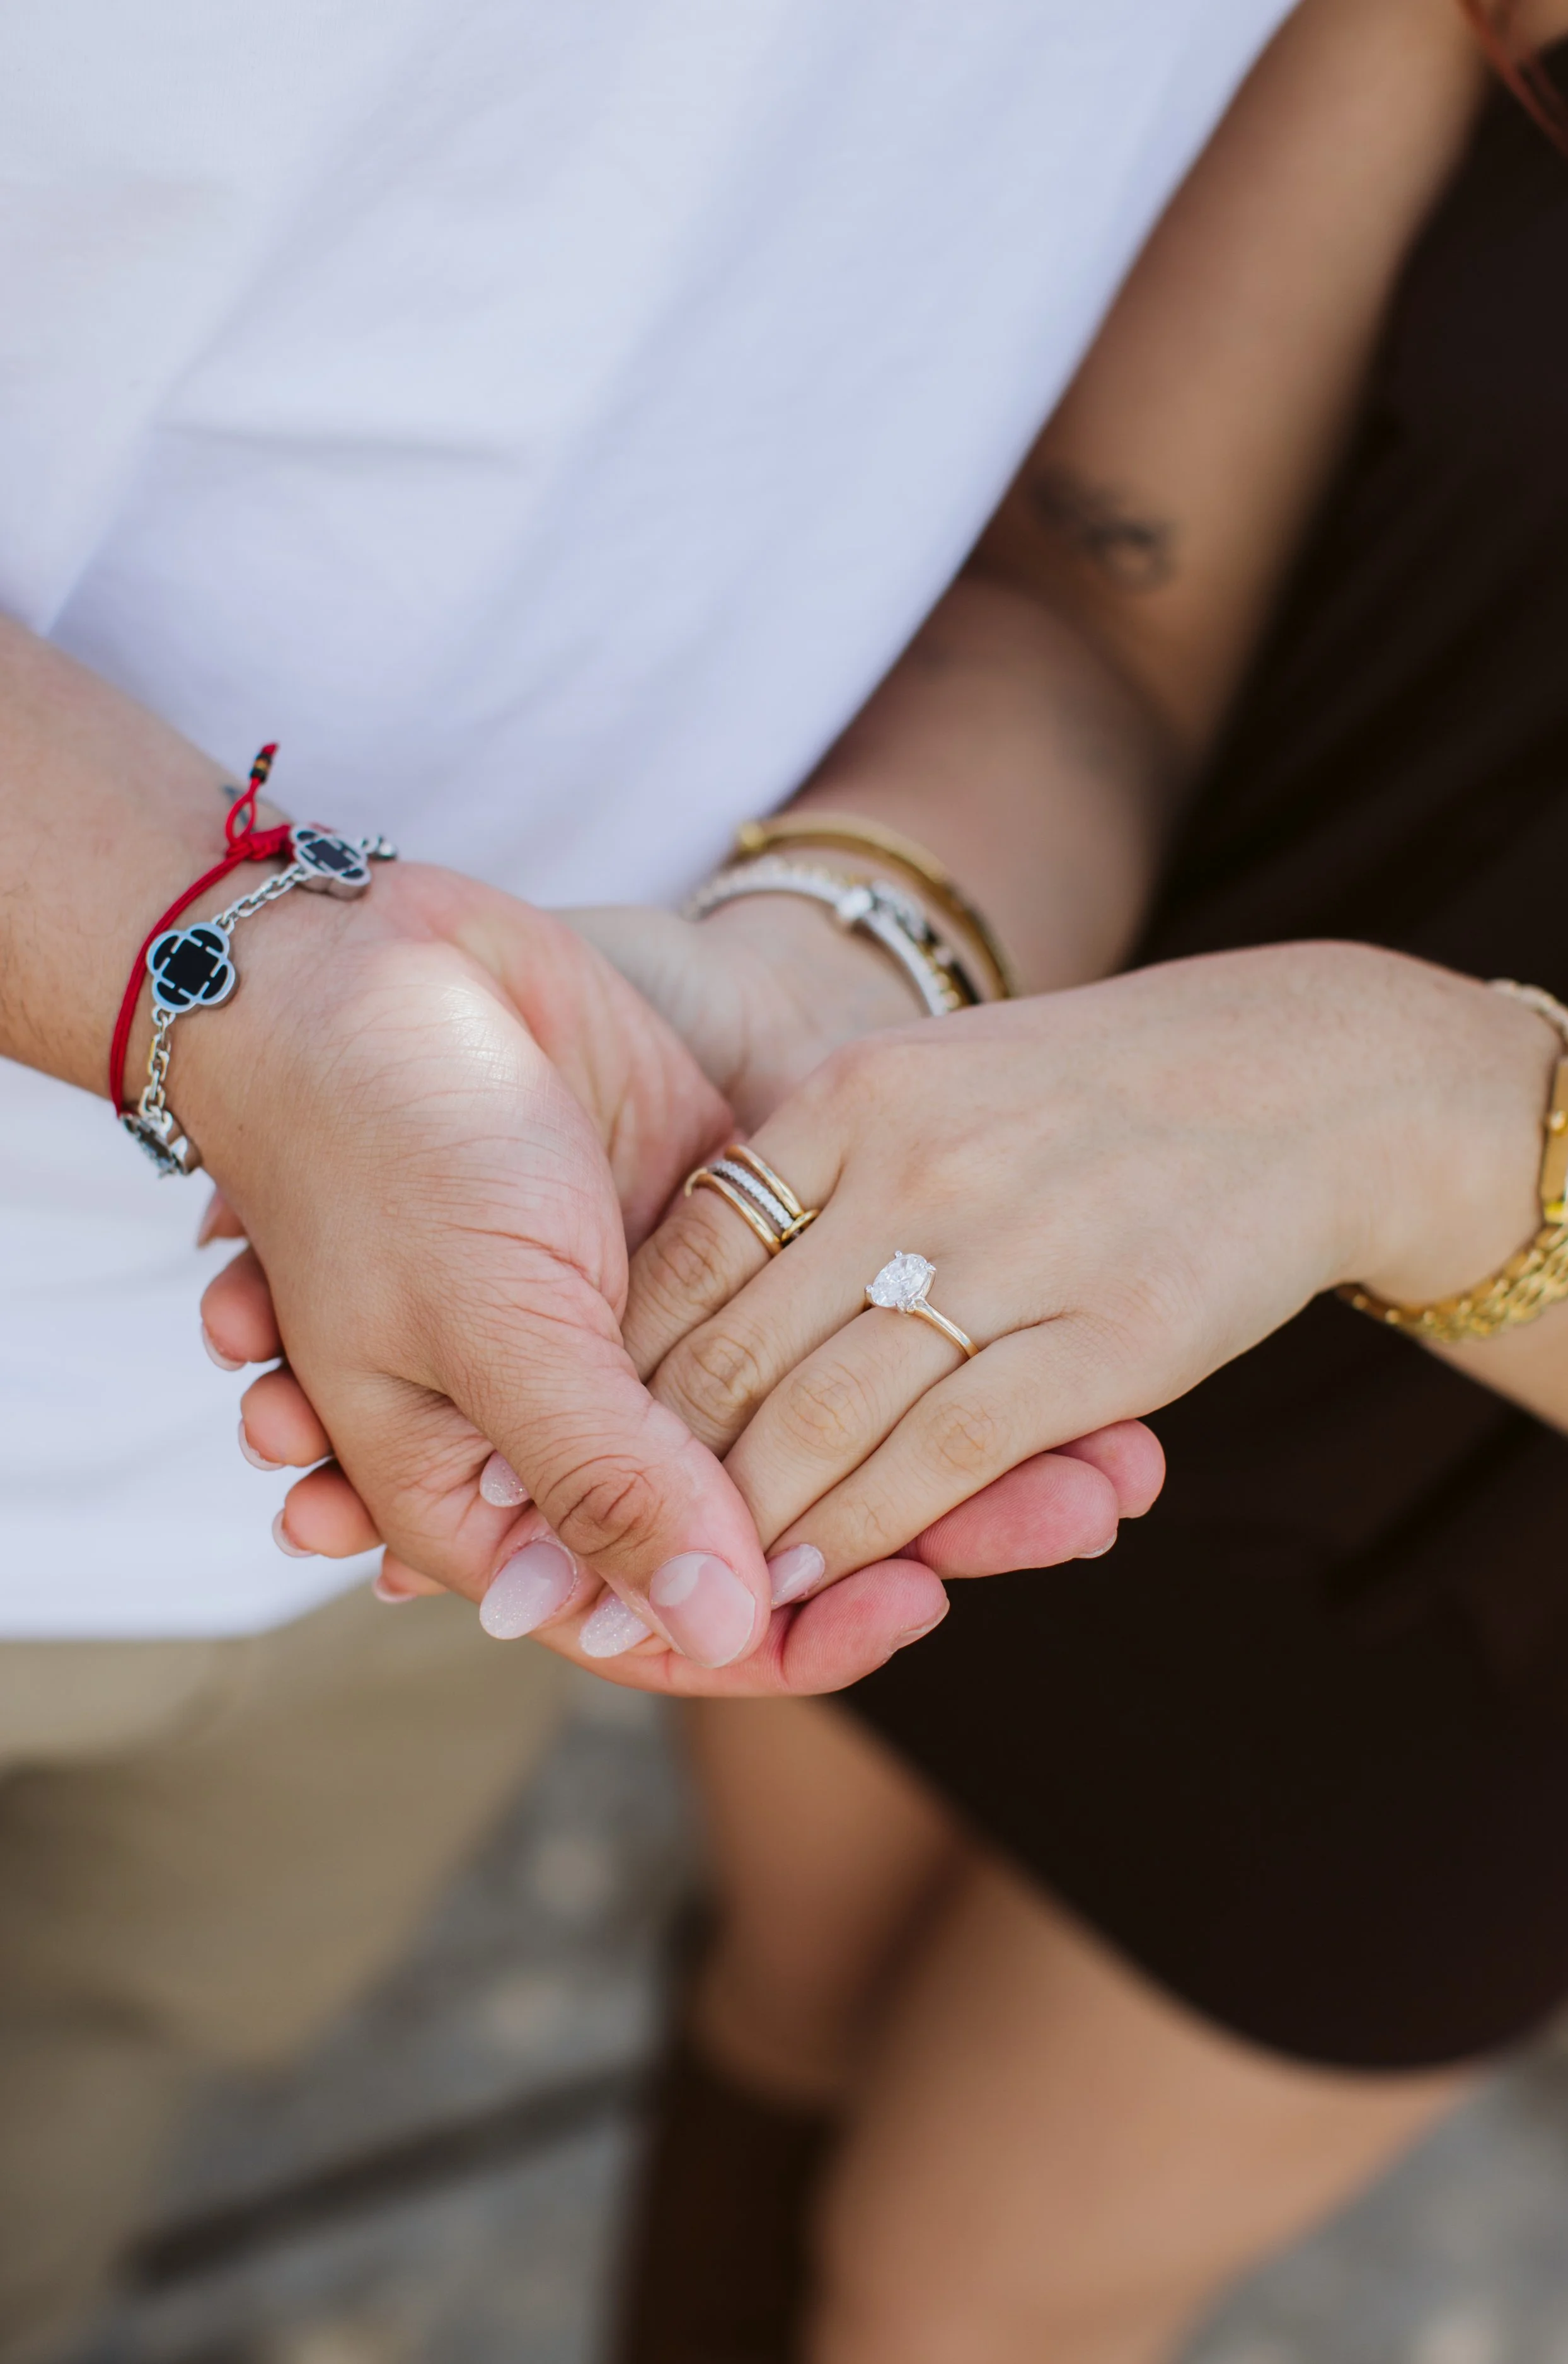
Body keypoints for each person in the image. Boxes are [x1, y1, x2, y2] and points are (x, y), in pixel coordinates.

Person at [0, 2, 1299, 2355]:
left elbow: (1097, 588)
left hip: (470, 1457)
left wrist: (843, 973)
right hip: (424, 1319)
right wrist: (255, 987)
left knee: (78, 2104)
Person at [577, 0, 1568, 2357]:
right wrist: (852, 947)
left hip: (1497, 1615)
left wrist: (1415, 1119)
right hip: (1010, 1225)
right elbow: (1108, 607)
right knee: (782, 2011)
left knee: (963, 2296)